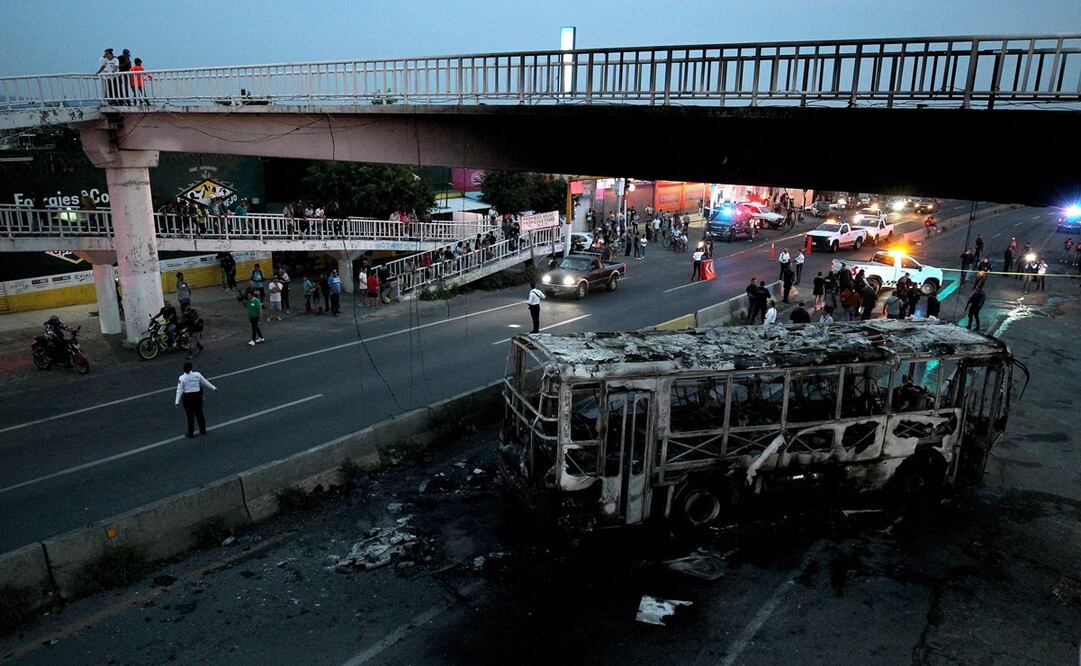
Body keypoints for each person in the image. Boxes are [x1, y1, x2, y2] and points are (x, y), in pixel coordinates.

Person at [175, 361, 216, 438]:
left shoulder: (182, 378)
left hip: (188, 398)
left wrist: (177, 401)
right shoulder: (197, 375)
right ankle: (203, 430)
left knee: (190, 416)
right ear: (191, 368)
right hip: (197, 397)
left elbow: (179, 390)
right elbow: (205, 382)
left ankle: (191, 433)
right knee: (199, 414)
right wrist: (213, 388)